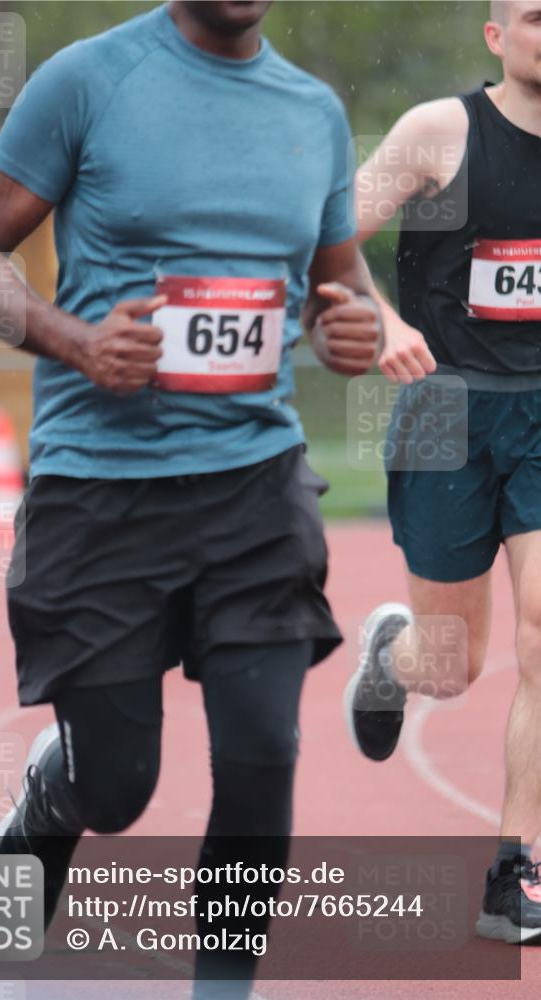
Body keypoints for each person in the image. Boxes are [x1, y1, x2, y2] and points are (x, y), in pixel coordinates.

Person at [0, 2, 382, 994]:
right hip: (100, 492)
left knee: (263, 748)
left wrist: (349, 327)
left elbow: (338, 279)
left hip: (256, 487)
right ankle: (47, 801)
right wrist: (74, 340)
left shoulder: (311, 111)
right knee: (117, 789)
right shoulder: (86, 81)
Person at [345, 0, 541, 945]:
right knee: (452, 666)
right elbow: (325, 230)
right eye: (537, 17)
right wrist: (384, 322)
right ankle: (390, 656)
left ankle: (512, 874)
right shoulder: (442, 132)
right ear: (497, 36)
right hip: (445, 405)